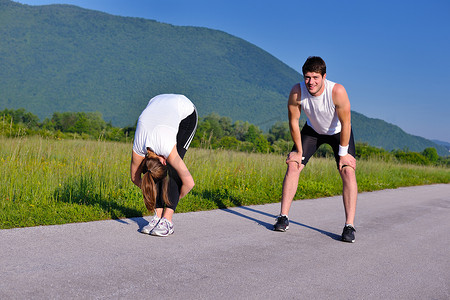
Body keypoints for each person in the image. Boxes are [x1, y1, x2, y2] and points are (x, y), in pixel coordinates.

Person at [273, 56, 358, 243]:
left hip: (338, 132)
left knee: (348, 171)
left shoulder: (337, 91)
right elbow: (293, 122)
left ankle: (349, 226)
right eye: (307, 77)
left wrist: (343, 154)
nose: (310, 82)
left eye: (315, 77)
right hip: (312, 131)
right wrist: (298, 151)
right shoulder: (297, 91)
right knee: (293, 164)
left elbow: (346, 123)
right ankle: (283, 217)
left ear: (324, 77)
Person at [130, 94, 198, 237]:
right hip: (157, 104)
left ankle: (167, 220)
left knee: (173, 171)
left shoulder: (168, 149)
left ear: (162, 160)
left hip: (185, 112)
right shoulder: (138, 149)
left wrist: (171, 201)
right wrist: (152, 191)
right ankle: (157, 216)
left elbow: (189, 183)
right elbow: (135, 178)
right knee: (155, 176)